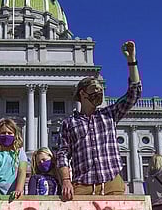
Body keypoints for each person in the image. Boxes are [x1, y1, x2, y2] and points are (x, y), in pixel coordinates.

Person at [57, 41, 141, 200]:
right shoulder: (69, 123)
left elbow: (134, 93)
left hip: (112, 185)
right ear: (82, 94)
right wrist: (66, 180)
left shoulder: (109, 114)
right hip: (82, 187)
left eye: (101, 90)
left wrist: (132, 61)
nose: (99, 94)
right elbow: (62, 154)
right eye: (95, 90)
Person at [0, 118, 27, 203]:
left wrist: (19, 189)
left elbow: (22, 171)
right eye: (3, 133)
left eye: (10, 133)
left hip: (15, 194)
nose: (6, 135)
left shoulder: (20, 152)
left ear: (15, 135)